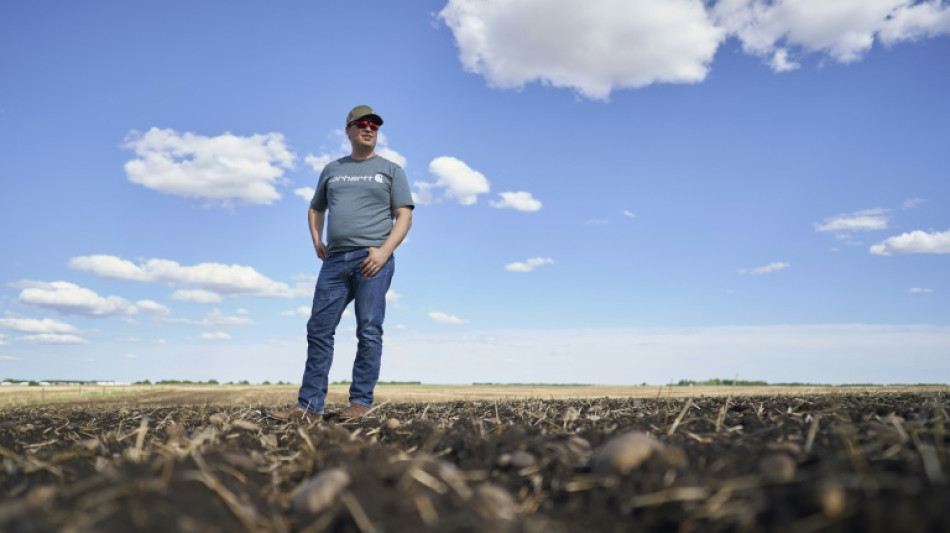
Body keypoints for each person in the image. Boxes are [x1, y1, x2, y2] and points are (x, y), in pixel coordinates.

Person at [271, 105, 414, 422]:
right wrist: (316, 240)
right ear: (348, 130)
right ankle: (308, 406)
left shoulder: (391, 170)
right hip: (334, 262)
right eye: (362, 124)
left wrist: (384, 252)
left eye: (374, 125)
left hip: (372, 260)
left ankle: (359, 404)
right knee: (319, 329)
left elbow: (404, 215)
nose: (369, 128)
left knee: (369, 331)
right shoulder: (332, 169)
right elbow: (315, 208)